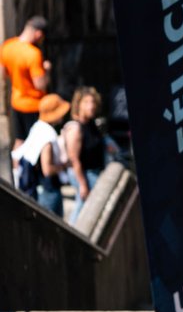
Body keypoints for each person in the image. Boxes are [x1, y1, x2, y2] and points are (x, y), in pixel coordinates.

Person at [11, 93, 71, 216]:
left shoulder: (38, 127)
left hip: (39, 187)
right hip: (48, 190)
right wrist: (64, 166)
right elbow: (47, 169)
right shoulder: (47, 136)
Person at [2, 16, 51, 149]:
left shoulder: (8, 46)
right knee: (38, 142)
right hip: (34, 105)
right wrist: (46, 70)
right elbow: (40, 84)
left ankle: (18, 169)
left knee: (19, 140)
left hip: (17, 102)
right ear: (38, 34)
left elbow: (3, 73)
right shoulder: (33, 54)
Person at [61, 87, 107, 225]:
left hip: (95, 170)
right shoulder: (76, 128)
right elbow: (74, 159)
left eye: (93, 102)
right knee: (83, 205)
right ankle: (73, 233)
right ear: (78, 105)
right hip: (84, 173)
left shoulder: (91, 124)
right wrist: (82, 184)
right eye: (86, 102)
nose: (91, 106)